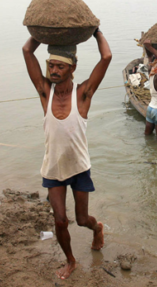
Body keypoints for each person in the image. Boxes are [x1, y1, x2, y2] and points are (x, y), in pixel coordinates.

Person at [22, 28, 111, 280]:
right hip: (53, 168)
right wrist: (42, 30)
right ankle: (70, 260)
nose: (53, 71)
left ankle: (97, 228)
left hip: (79, 168)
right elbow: (27, 50)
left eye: (60, 67)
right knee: (60, 220)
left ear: (72, 68)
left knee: (82, 219)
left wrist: (96, 32)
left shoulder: (83, 93)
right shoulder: (45, 92)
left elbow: (105, 58)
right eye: (51, 65)